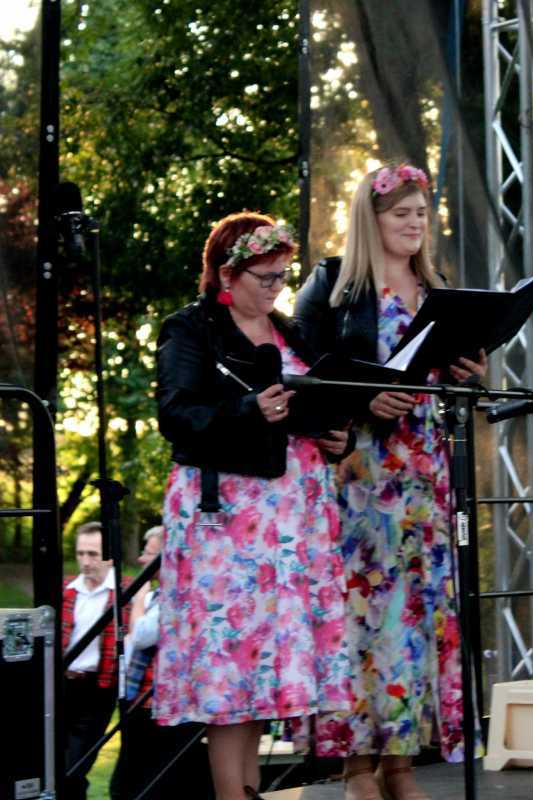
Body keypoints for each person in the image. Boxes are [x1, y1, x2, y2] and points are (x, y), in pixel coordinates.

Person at [294, 164, 487, 800]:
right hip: (360, 476)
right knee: (361, 619)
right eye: (401, 213)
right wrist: (363, 400)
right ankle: (355, 767)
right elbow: (304, 378)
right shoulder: (334, 287)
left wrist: (469, 371)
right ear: (371, 219)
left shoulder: (438, 290)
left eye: (421, 214)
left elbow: (449, 375)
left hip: (425, 476)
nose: (414, 224)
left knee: (414, 619)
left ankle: (400, 766)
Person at [153, 211, 354, 800]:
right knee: (229, 665)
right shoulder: (191, 329)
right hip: (226, 522)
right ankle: (231, 795)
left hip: (290, 521)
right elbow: (176, 415)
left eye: (282, 276)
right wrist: (248, 410)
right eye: (265, 277)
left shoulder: (290, 332)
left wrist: (338, 438)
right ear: (226, 274)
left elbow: (321, 401)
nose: (276, 288)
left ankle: (247, 791)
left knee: (260, 667)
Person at [110, 525, 210, 799]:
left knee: (150, 782)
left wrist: (138, 599)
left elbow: (141, 635)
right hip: (141, 702)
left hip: (159, 705)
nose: (141, 559)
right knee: (129, 781)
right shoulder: (160, 596)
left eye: (149, 554)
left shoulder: (179, 596)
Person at [62, 521, 124, 800]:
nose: (85, 562)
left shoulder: (123, 593)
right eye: (80, 553)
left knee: (75, 766)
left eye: (93, 554)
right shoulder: (67, 590)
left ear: (109, 556)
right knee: (54, 764)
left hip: (97, 689)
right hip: (62, 686)